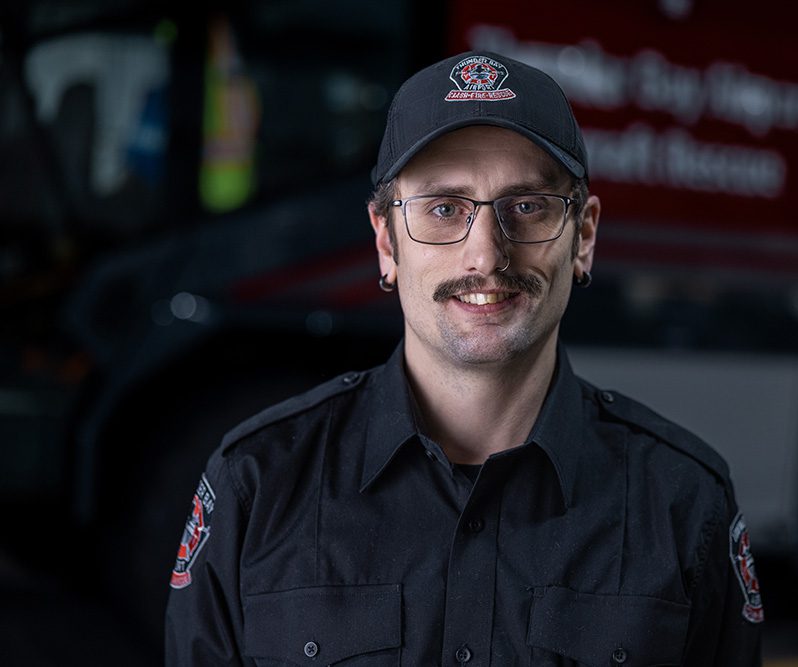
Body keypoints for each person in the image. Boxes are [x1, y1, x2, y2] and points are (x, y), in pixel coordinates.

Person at [165, 51, 763, 666]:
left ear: (583, 237)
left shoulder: (684, 503)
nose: (485, 255)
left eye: (527, 206)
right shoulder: (256, 485)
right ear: (384, 242)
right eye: (444, 209)